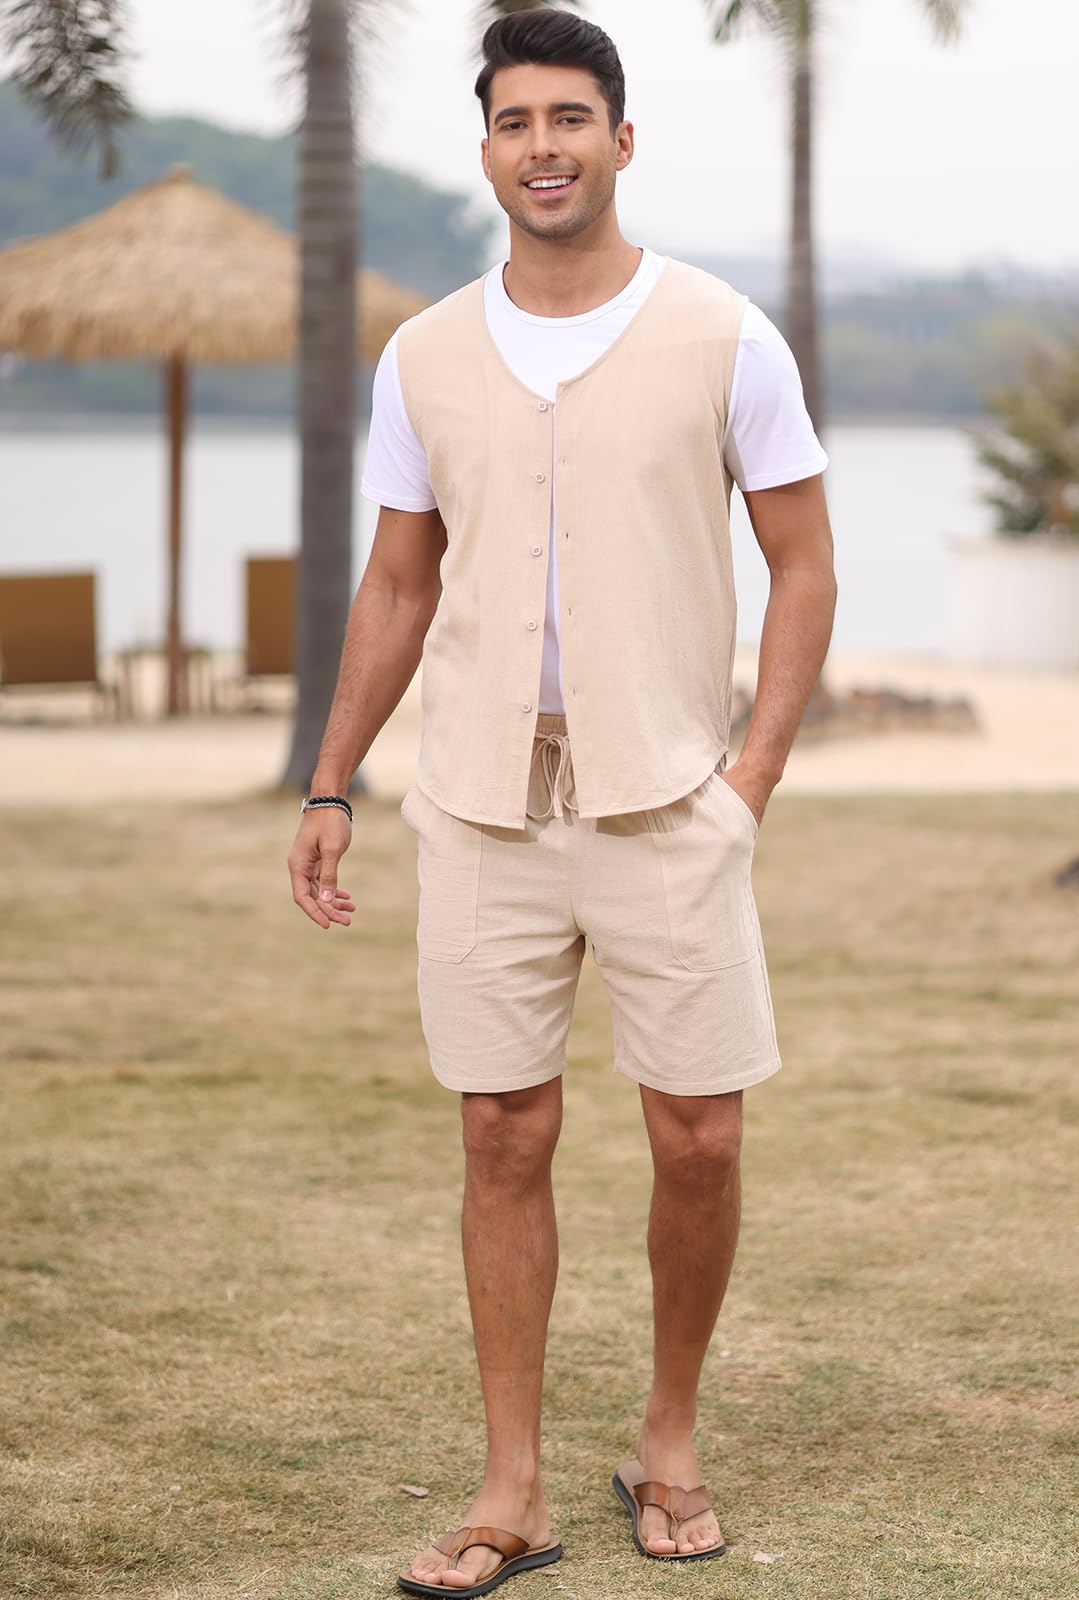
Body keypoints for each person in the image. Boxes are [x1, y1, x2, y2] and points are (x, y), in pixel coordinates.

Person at [287, 8, 835, 1596]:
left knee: (700, 1137)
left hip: (670, 796)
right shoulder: (423, 356)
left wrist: (749, 779)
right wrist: (331, 777)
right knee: (500, 1130)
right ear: (487, 152)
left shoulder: (727, 336)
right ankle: (510, 1488)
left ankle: (669, 1439)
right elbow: (398, 585)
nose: (544, 146)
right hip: (479, 801)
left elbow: (805, 567)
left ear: (621, 140)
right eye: (517, 120)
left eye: (570, 118)